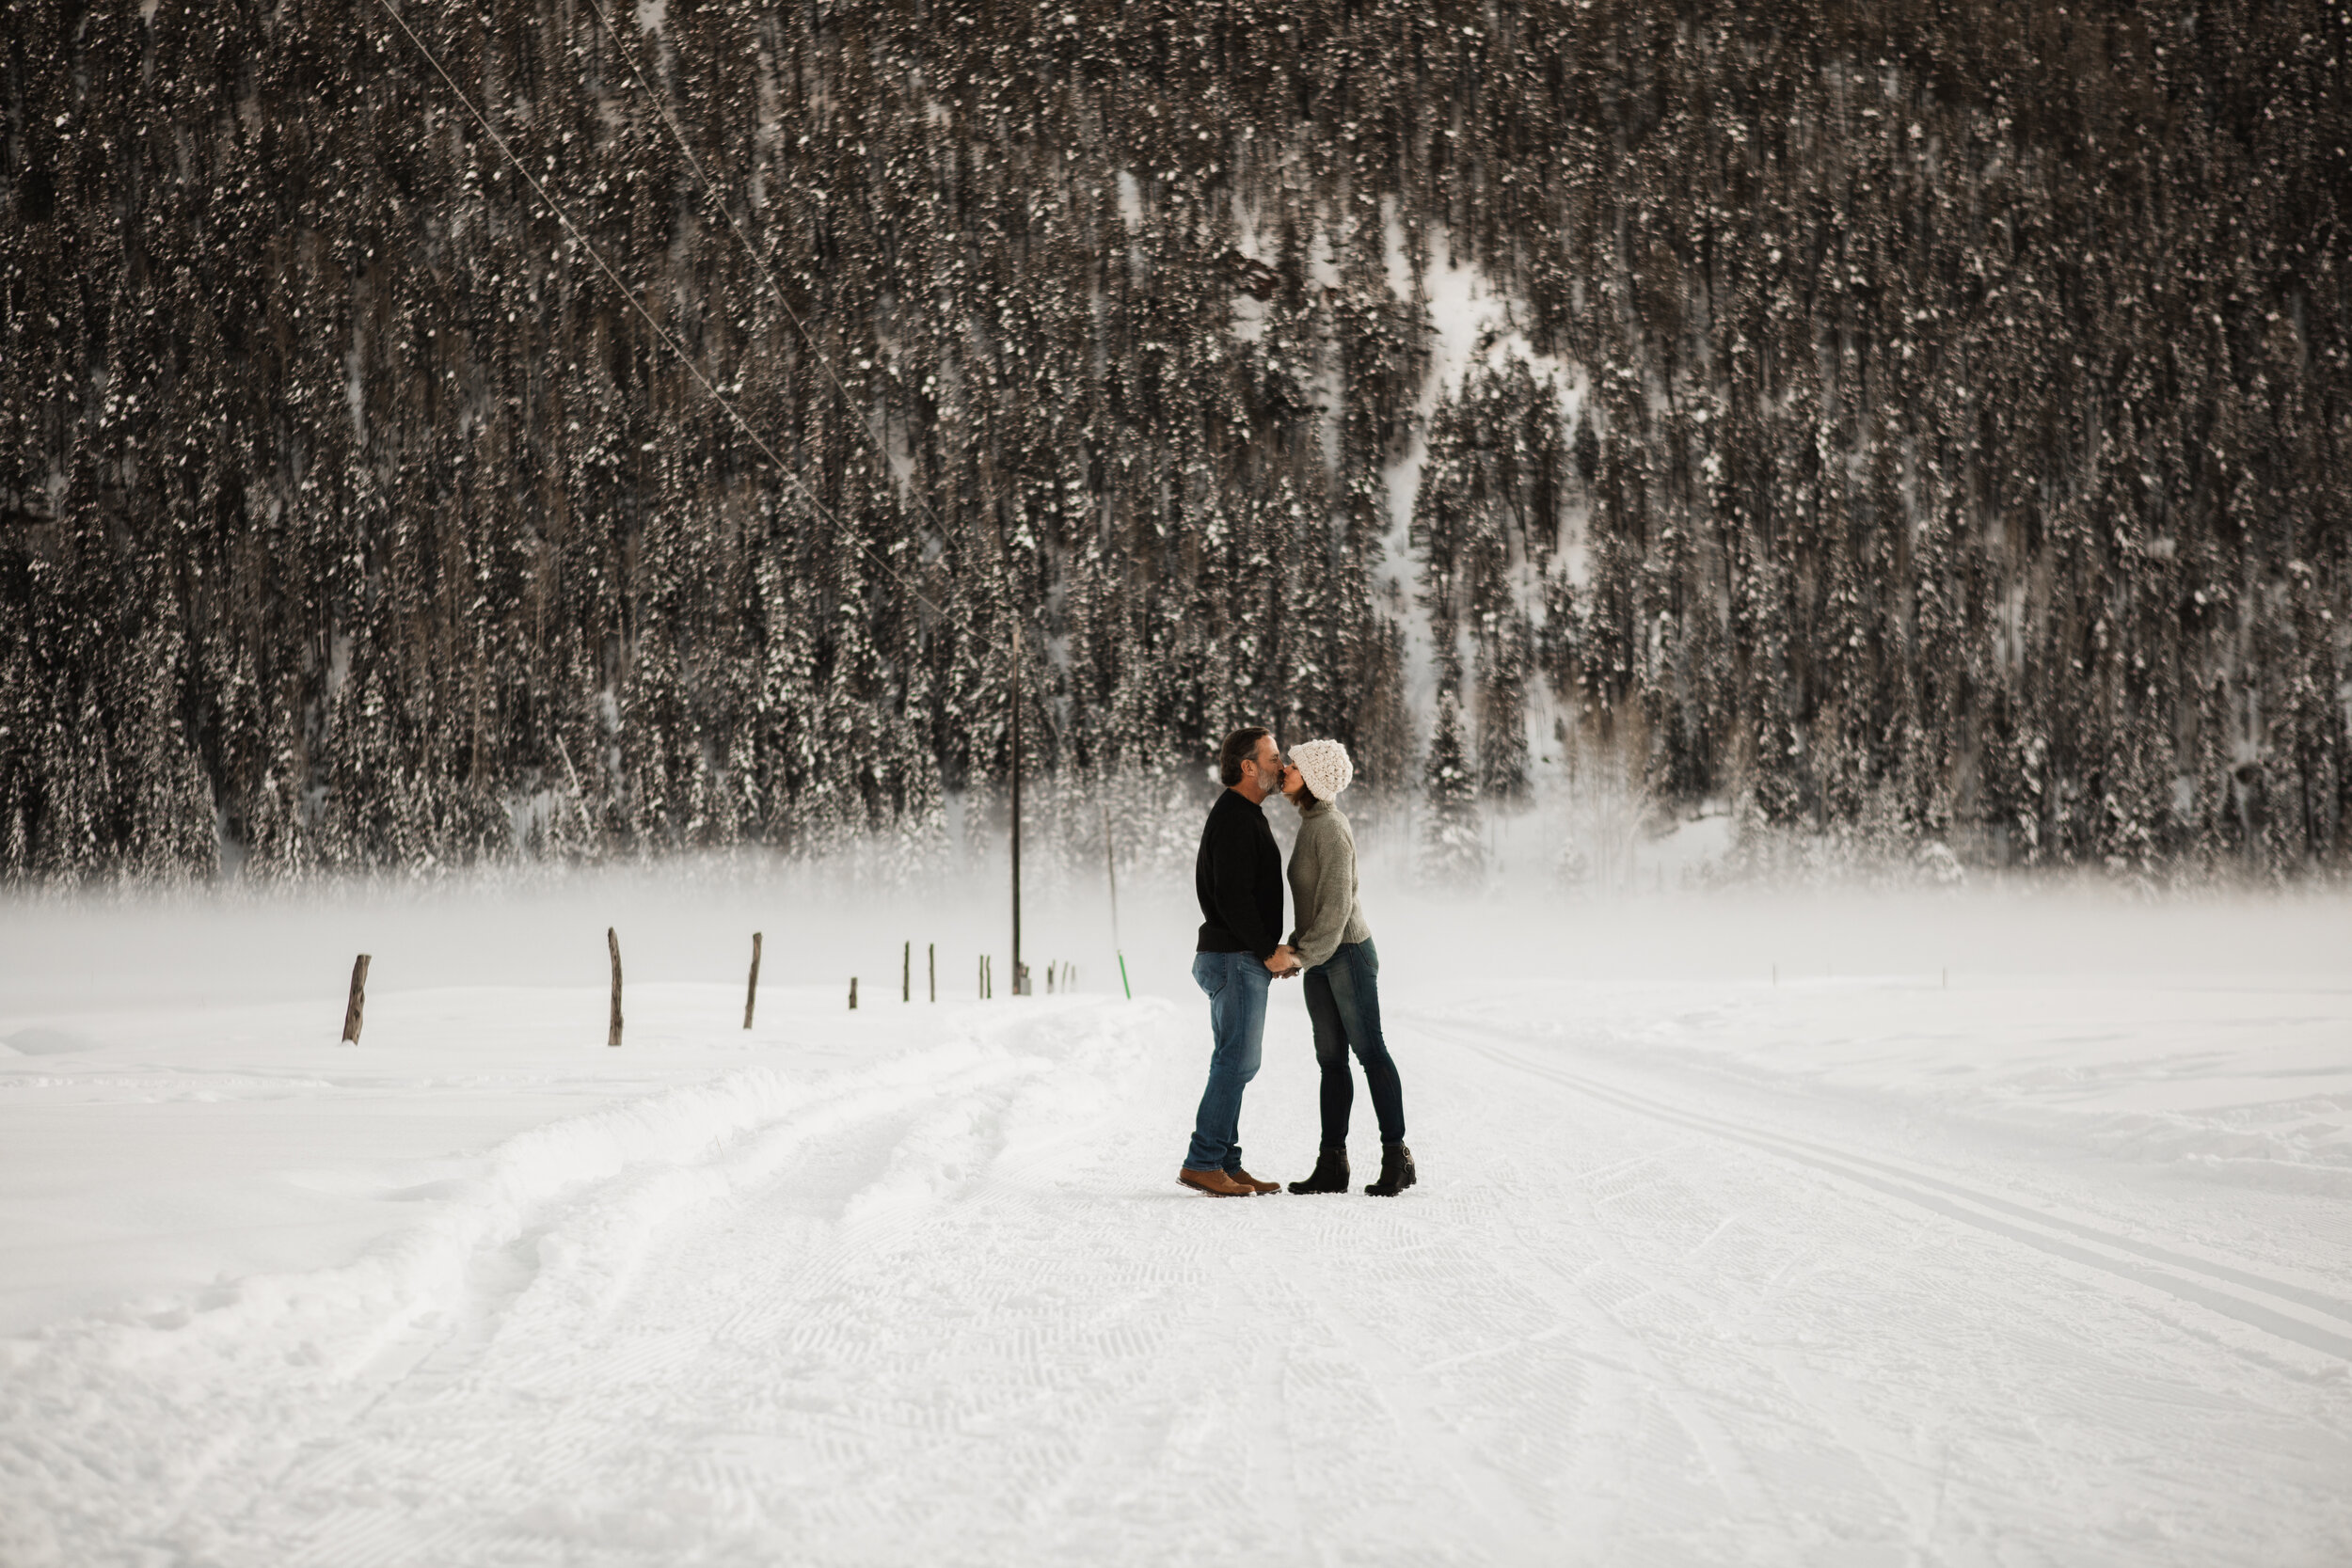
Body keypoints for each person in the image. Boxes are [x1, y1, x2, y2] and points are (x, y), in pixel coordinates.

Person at [1279, 738, 1416, 1197]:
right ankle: (1332, 1166)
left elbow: (1337, 907)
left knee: (1370, 1053)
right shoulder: (1311, 823)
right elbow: (1316, 904)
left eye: (1293, 766)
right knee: (1331, 1063)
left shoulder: (1331, 827)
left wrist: (1299, 954)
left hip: (1348, 953)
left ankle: (1397, 1158)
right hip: (1321, 955)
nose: (1284, 770)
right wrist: (1300, 947)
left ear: (1314, 779)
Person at [1180, 726, 1299, 1197]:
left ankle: (1226, 1162)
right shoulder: (1234, 816)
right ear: (1248, 767)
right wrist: (1268, 951)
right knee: (1237, 1061)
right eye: (1273, 758)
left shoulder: (1244, 813)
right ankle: (1203, 1161)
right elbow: (1231, 896)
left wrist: (1267, 950)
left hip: (1234, 954)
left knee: (1235, 1061)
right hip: (1234, 956)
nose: (1282, 765)